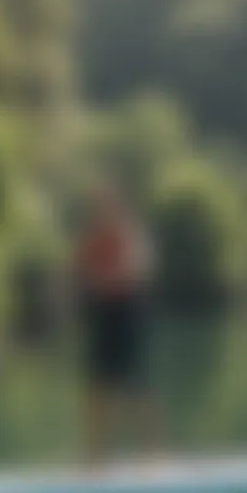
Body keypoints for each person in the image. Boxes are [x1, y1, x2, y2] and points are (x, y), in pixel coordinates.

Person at [75, 182, 159, 466]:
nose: (101, 209)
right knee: (98, 388)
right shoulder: (92, 237)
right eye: (97, 205)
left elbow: (137, 270)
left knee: (134, 385)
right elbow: (75, 270)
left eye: (106, 203)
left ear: (118, 205)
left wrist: (101, 280)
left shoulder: (131, 234)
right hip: (102, 314)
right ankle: (95, 461)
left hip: (127, 313)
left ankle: (153, 458)